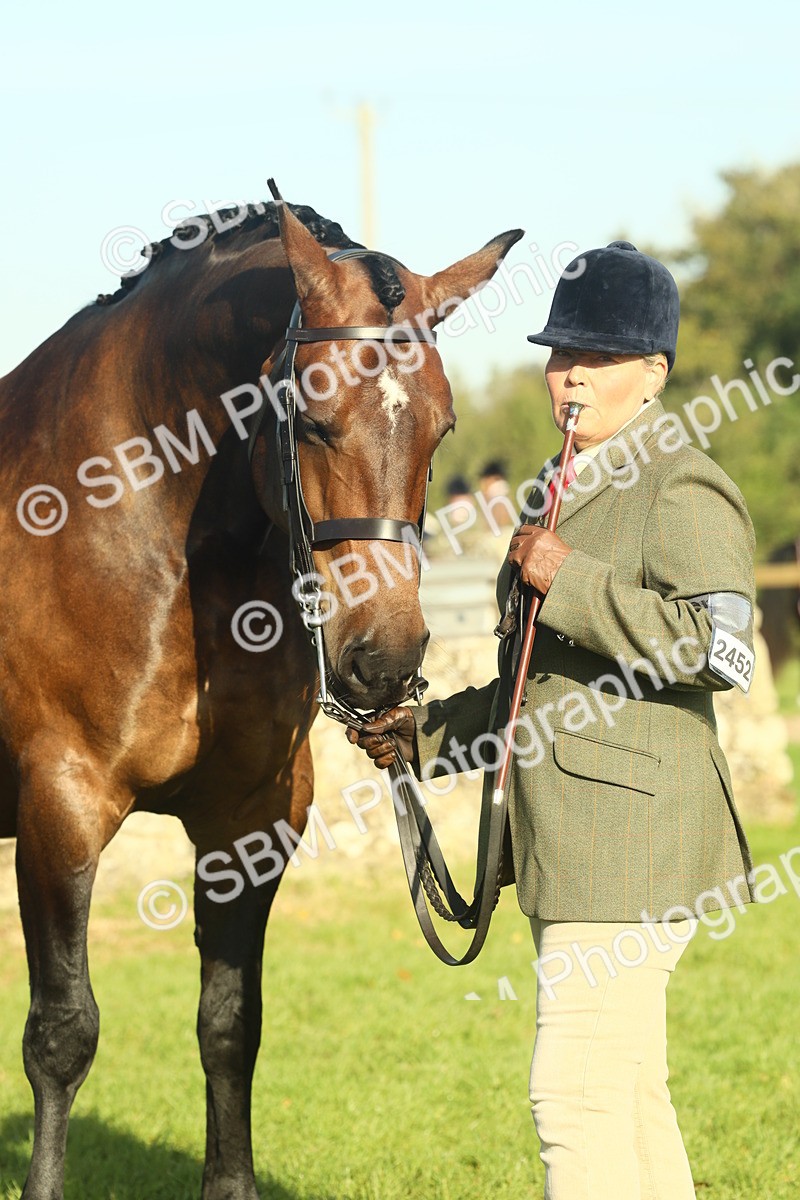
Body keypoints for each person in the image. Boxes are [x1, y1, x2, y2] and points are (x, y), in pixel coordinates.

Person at [347, 240, 757, 1199]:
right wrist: (423, 737)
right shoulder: (557, 484)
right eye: (560, 352)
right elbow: (537, 683)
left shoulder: (680, 482)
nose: (571, 374)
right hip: (569, 843)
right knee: (626, 1098)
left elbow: (722, 650)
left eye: (597, 357)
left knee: (572, 1098)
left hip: (633, 843)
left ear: (653, 373)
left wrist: (571, 580)